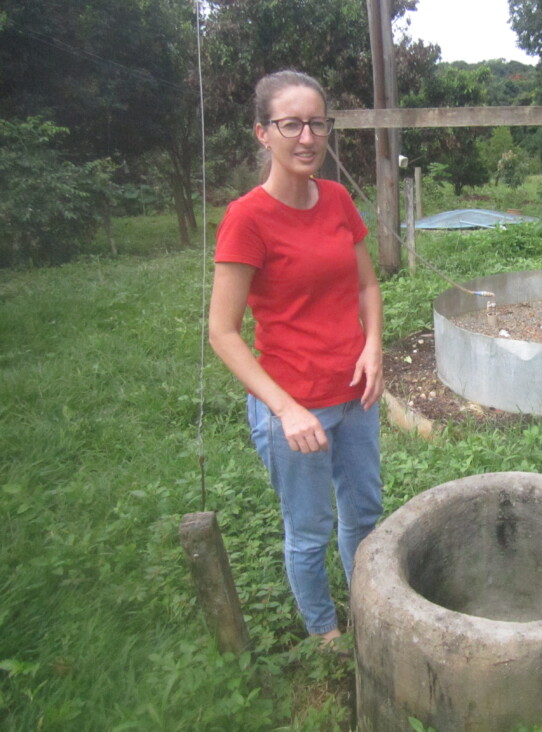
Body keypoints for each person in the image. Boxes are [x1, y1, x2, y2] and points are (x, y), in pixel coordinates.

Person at [208, 70, 383, 650]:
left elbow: (367, 287)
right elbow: (222, 332)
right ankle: (326, 637)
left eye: (317, 123)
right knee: (309, 532)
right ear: (263, 133)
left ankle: (367, 609)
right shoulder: (247, 218)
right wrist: (285, 409)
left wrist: (374, 346)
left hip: (355, 396)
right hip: (294, 408)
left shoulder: (335, 198)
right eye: (291, 124)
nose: (307, 137)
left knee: (364, 513)